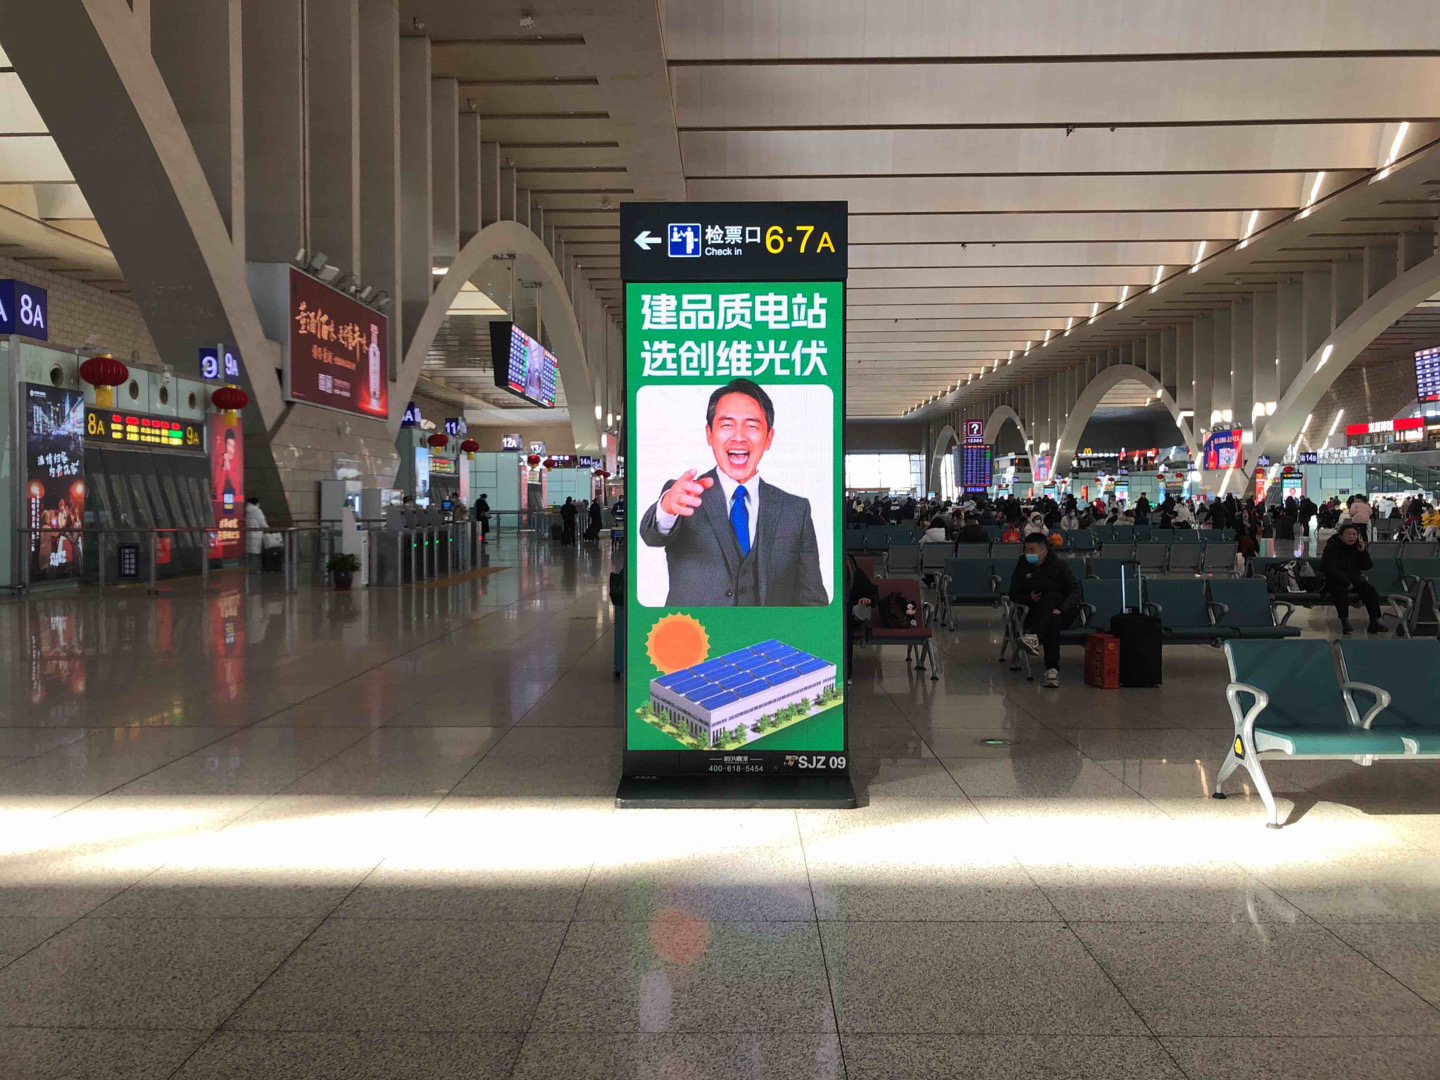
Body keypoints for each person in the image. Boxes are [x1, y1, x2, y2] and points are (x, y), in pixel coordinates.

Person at [639, 378, 827, 606]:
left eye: (752, 426)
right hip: (696, 629)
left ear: (769, 438)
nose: (739, 436)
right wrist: (667, 508)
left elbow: (812, 600)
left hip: (768, 630)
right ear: (709, 434)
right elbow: (652, 535)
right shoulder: (683, 497)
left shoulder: (795, 510)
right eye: (727, 425)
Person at [1007, 532, 1082, 688]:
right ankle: (1052, 670)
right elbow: (1013, 593)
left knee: (1051, 598)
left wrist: (1061, 609)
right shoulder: (1022, 565)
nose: (1028, 553)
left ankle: (1034, 637)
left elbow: (1075, 592)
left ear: (1044, 550)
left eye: (1032, 550)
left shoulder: (1059, 566)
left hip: (1062, 611)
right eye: (1026, 549)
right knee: (1052, 619)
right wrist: (1029, 598)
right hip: (1034, 613)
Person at [1319, 522, 1387, 635]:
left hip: (1354, 580)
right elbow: (1330, 569)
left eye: (1354, 534)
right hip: (1335, 580)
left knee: (1370, 591)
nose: (1351, 537)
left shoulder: (1356, 548)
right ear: (1340, 536)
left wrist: (1363, 551)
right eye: (1348, 534)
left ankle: (1374, 621)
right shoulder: (1331, 548)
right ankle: (1345, 621)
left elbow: (1367, 566)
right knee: (1340, 592)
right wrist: (1346, 582)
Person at [845, 553, 880, 684]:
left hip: (852, 615)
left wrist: (868, 599)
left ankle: (846, 672)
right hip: (838, 614)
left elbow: (872, 591)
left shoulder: (854, 572)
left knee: (845, 622)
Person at [243, 496, 267, 571]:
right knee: (256, 552)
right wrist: (268, 528)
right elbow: (262, 522)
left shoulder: (247, 511)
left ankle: (250, 568)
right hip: (256, 534)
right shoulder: (257, 511)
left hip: (249, 534)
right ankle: (255, 568)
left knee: (251, 552)